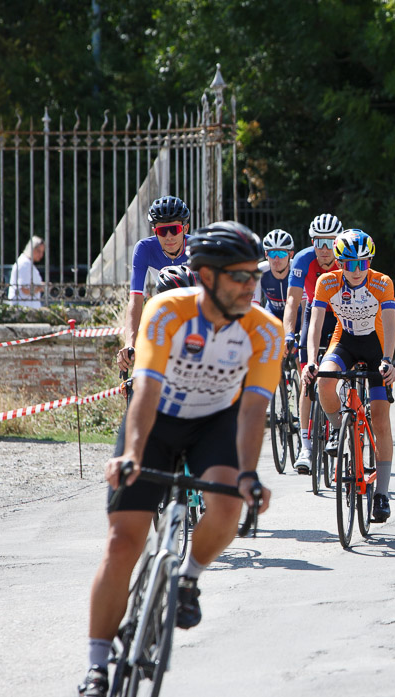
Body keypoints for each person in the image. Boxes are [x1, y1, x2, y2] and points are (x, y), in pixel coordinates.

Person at [77, 221, 282, 697]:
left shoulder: (265, 329)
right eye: (240, 276)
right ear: (206, 276)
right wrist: (131, 453)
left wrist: (249, 474)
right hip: (158, 420)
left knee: (229, 502)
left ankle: (188, 578)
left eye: (255, 274)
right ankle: (96, 665)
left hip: (215, 422)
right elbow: (145, 388)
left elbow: (253, 409)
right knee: (122, 544)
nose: (252, 285)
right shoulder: (167, 310)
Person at [304, 230, 395, 522]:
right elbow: (315, 326)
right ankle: (337, 428)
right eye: (348, 264)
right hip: (343, 341)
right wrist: (310, 361)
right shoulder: (327, 282)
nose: (356, 271)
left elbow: (392, 327)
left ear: (369, 262)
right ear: (339, 263)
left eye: (362, 264)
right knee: (324, 380)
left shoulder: (382, 283)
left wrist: (388, 361)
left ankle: (381, 493)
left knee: (381, 419)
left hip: (375, 346)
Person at [282, 213, 343, 475]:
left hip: (342, 316)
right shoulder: (303, 260)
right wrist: (288, 334)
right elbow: (292, 303)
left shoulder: (346, 257)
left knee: (339, 374)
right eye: (319, 242)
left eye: (330, 242)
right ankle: (305, 447)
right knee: (307, 376)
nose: (324, 249)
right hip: (314, 314)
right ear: (312, 241)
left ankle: (342, 423)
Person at [116, 196, 191, 371]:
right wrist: (130, 343)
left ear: (185, 228)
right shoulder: (144, 249)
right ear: (154, 231)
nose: (169, 237)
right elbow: (135, 299)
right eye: (163, 231)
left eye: (174, 229)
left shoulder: (196, 249)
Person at [257, 229, 300, 334]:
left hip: (298, 317)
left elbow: (305, 304)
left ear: (291, 255)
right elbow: (254, 306)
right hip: (273, 315)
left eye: (281, 254)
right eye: (272, 253)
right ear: (266, 254)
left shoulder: (298, 270)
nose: (276, 259)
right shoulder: (259, 271)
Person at [7, 236, 45, 308]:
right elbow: (24, 289)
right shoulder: (24, 264)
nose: (41, 255)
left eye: (42, 252)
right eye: (39, 251)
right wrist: (40, 287)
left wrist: (40, 285)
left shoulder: (27, 263)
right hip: (23, 309)